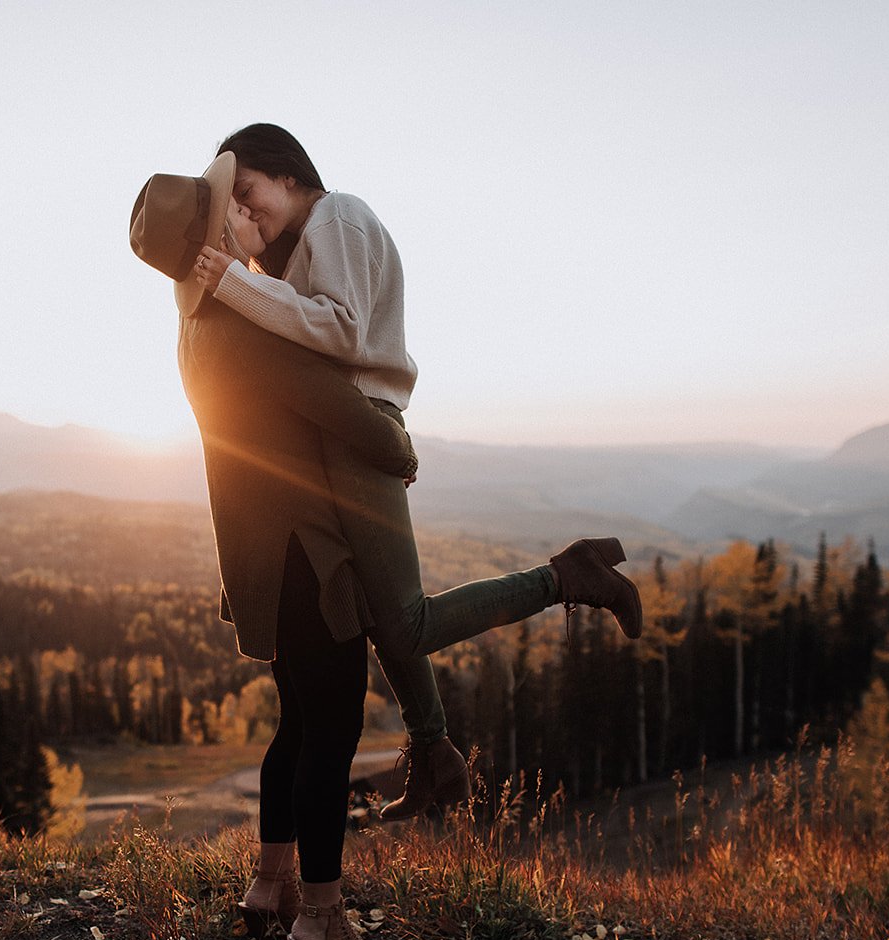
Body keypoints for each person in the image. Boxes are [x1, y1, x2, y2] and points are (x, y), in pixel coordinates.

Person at [131, 151, 641, 940]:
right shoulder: (243, 324)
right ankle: (321, 923)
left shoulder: (195, 332)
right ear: (208, 235)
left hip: (261, 552)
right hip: (306, 553)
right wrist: (397, 446)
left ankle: (271, 886)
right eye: (232, 210)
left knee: (298, 723)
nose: (246, 221)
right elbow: (338, 405)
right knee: (329, 730)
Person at [194, 124, 641, 821]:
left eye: (249, 193)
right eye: (237, 209)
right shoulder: (300, 248)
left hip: (358, 422)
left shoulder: (337, 213)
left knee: (403, 624)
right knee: (370, 611)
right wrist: (244, 270)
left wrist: (231, 279)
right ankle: (433, 752)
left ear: (286, 171)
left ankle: (569, 576)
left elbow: (340, 331)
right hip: (344, 426)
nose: (249, 213)